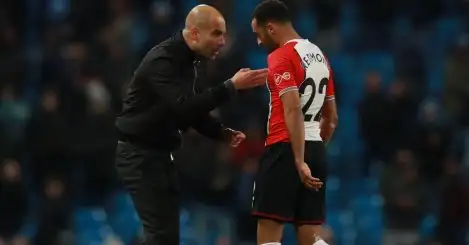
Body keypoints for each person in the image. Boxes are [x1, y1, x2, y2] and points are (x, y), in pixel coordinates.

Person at [114, 4, 268, 245]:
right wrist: (231, 87)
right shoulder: (164, 60)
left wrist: (219, 132)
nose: (221, 42)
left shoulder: (190, 62)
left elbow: (193, 113)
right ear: (196, 33)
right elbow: (184, 107)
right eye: (216, 34)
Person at [250, 1, 339, 245]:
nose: (259, 42)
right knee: (309, 236)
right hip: (315, 149)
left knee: (268, 234)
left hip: (284, 149)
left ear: (271, 28)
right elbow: (331, 119)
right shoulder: (320, 55)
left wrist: (299, 160)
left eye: (258, 35)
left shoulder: (281, 56)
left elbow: (292, 107)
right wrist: (313, 151)